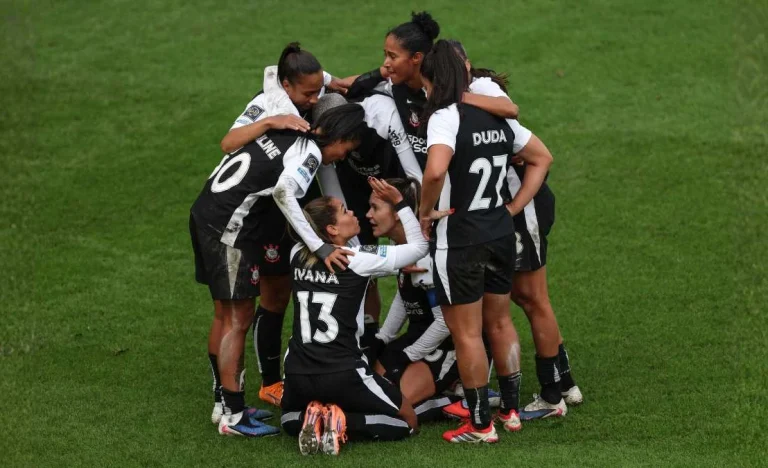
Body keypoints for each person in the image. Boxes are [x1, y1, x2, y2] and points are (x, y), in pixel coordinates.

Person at [190, 103, 366, 437]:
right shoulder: (310, 153)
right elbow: (285, 192)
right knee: (238, 319)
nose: (343, 156)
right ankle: (233, 418)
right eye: (347, 149)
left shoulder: (290, 134)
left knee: (225, 315)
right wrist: (320, 244)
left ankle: (225, 404)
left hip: (207, 212)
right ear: (340, 136)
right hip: (230, 227)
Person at [418, 40, 551, 443]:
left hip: (460, 239)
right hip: (499, 233)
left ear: (433, 80)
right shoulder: (496, 116)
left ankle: (479, 425)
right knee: (500, 321)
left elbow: (437, 169)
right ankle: (510, 411)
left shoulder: (444, 117)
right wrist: (511, 209)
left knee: (468, 334)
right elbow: (542, 157)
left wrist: (425, 211)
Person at [214, 43, 353, 409]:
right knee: (255, 303)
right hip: (261, 208)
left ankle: (264, 383)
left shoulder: (310, 90)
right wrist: (270, 123)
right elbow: (228, 143)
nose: (313, 98)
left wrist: (335, 82)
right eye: (307, 93)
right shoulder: (268, 104)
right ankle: (258, 386)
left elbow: (319, 81)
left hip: (282, 199)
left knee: (281, 292)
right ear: (287, 86)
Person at [449, 39, 582, 419]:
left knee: (531, 298)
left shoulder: (480, 94)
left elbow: (526, 148)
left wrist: (512, 208)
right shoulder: (473, 93)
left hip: (522, 206)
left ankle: (553, 393)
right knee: (526, 299)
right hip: (514, 207)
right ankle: (565, 381)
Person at [280, 179, 449, 455]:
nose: (354, 214)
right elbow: (419, 248)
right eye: (345, 211)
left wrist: (388, 271)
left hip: (298, 370)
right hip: (344, 371)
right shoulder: (357, 258)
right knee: (409, 422)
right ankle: (345, 420)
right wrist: (402, 204)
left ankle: (310, 418)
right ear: (332, 229)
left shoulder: (295, 253)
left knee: (287, 419)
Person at [311, 93, 423, 363]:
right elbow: (336, 205)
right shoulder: (326, 150)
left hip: (398, 180)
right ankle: (369, 341)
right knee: (366, 271)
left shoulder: (381, 119)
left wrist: (416, 217)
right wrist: (365, 259)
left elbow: (415, 176)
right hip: (356, 190)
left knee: (416, 263)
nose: (333, 151)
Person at [343, 12, 519, 170]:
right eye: (385, 55)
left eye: (393, 56)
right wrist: (379, 73)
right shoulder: (395, 86)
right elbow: (350, 87)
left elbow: (510, 109)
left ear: (416, 58)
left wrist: (455, 96)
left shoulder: (455, 86)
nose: (386, 62)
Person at [366, 178, 462, 422]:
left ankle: (461, 398)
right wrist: (383, 338)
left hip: (447, 343)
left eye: (375, 208)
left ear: (398, 215)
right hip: (418, 335)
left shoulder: (427, 256)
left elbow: (445, 323)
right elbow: (404, 293)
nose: (368, 215)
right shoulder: (400, 245)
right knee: (374, 393)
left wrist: (408, 355)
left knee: (396, 405)